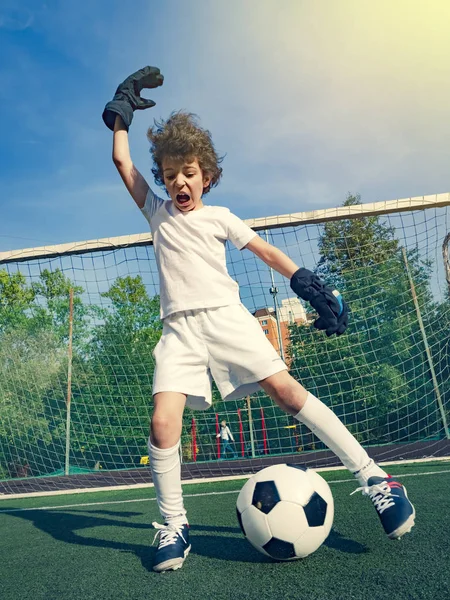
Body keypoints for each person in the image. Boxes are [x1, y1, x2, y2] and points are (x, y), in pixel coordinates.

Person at [102, 67, 415, 573]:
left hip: (227, 319)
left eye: (189, 171)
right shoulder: (156, 214)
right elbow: (121, 159)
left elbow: (266, 251)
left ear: (206, 173)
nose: (178, 181)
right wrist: (122, 109)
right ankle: (173, 526)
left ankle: (377, 479)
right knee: (162, 424)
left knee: (288, 393)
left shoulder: (219, 216)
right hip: (179, 329)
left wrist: (309, 286)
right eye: (168, 174)